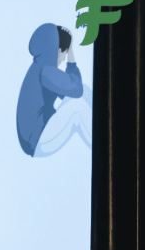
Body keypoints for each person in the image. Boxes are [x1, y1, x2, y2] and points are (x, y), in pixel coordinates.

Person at [16, 24, 92, 157]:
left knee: (83, 91)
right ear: (58, 51)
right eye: (65, 53)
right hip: (36, 141)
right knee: (76, 104)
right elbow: (76, 92)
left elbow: (74, 91)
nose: (63, 59)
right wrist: (71, 58)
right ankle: (104, 144)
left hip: (37, 134)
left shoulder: (40, 66)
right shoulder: (46, 71)